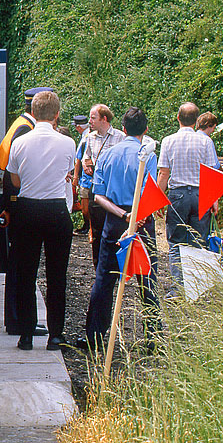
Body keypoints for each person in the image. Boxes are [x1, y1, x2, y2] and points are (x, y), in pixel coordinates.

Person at [5, 90, 76, 351]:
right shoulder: (68, 143)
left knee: (26, 273)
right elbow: (68, 172)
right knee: (57, 275)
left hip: (27, 209)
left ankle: (26, 334)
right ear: (57, 115)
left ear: (32, 113)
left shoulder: (20, 142)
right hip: (56, 210)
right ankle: (55, 335)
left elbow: (14, 179)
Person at [83, 108, 151, 353]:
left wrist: (123, 215)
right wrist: (137, 215)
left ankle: (94, 336)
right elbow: (149, 190)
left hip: (114, 219)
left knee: (104, 278)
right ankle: (153, 338)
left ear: (123, 129)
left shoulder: (108, 155)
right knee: (147, 279)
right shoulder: (147, 156)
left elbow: (98, 195)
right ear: (145, 130)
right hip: (142, 219)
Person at [0, 87, 51, 336]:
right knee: (21, 266)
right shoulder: (25, 130)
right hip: (20, 206)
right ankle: (18, 321)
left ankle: (19, 319)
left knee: (18, 265)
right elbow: (13, 175)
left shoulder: (19, 125)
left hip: (14, 205)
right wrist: (11, 208)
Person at [155, 102, 220, 296]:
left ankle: (177, 289)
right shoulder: (206, 141)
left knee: (176, 243)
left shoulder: (168, 140)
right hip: (201, 194)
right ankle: (196, 288)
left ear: (178, 118)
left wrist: (159, 198)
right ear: (196, 120)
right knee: (198, 242)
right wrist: (214, 199)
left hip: (178, 195)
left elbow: (164, 174)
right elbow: (211, 173)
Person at [76, 104, 125, 266]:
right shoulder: (90, 137)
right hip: (95, 187)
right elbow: (86, 156)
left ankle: (116, 265)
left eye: (93, 118)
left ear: (104, 119)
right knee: (96, 228)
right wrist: (86, 164)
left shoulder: (119, 137)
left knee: (115, 228)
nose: (90, 121)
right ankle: (98, 265)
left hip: (114, 188)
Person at [71, 115, 91, 232]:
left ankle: (88, 226)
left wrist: (75, 177)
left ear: (79, 127)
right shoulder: (89, 135)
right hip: (88, 176)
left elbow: (78, 160)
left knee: (85, 205)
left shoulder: (85, 138)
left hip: (86, 177)